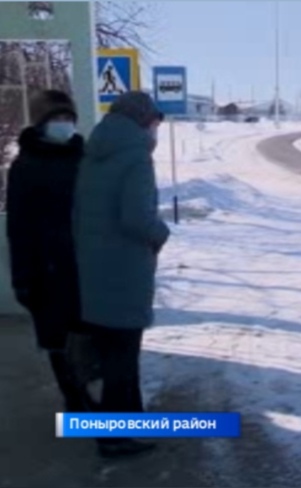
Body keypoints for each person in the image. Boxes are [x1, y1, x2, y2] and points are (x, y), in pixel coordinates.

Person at [73, 91, 170, 458]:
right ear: (142, 121)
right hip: (125, 272)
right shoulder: (136, 158)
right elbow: (136, 218)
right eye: (154, 123)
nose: (155, 131)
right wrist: (161, 233)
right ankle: (114, 438)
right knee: (122, 361)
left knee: (114, 354)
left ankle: (128, 424)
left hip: (95, 271)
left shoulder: (94, 153)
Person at [6, 89, 97, 413]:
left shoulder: (82, 157)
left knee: (87, 336)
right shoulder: (26, 165)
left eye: (68, 118)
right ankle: (76, 401)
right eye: (56, 118)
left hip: (86, 266)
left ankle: (86, 397)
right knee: (59, 340)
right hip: (48, 271)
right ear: (42, 123)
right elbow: (18, 227)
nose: (64, 124)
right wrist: (22, 278)